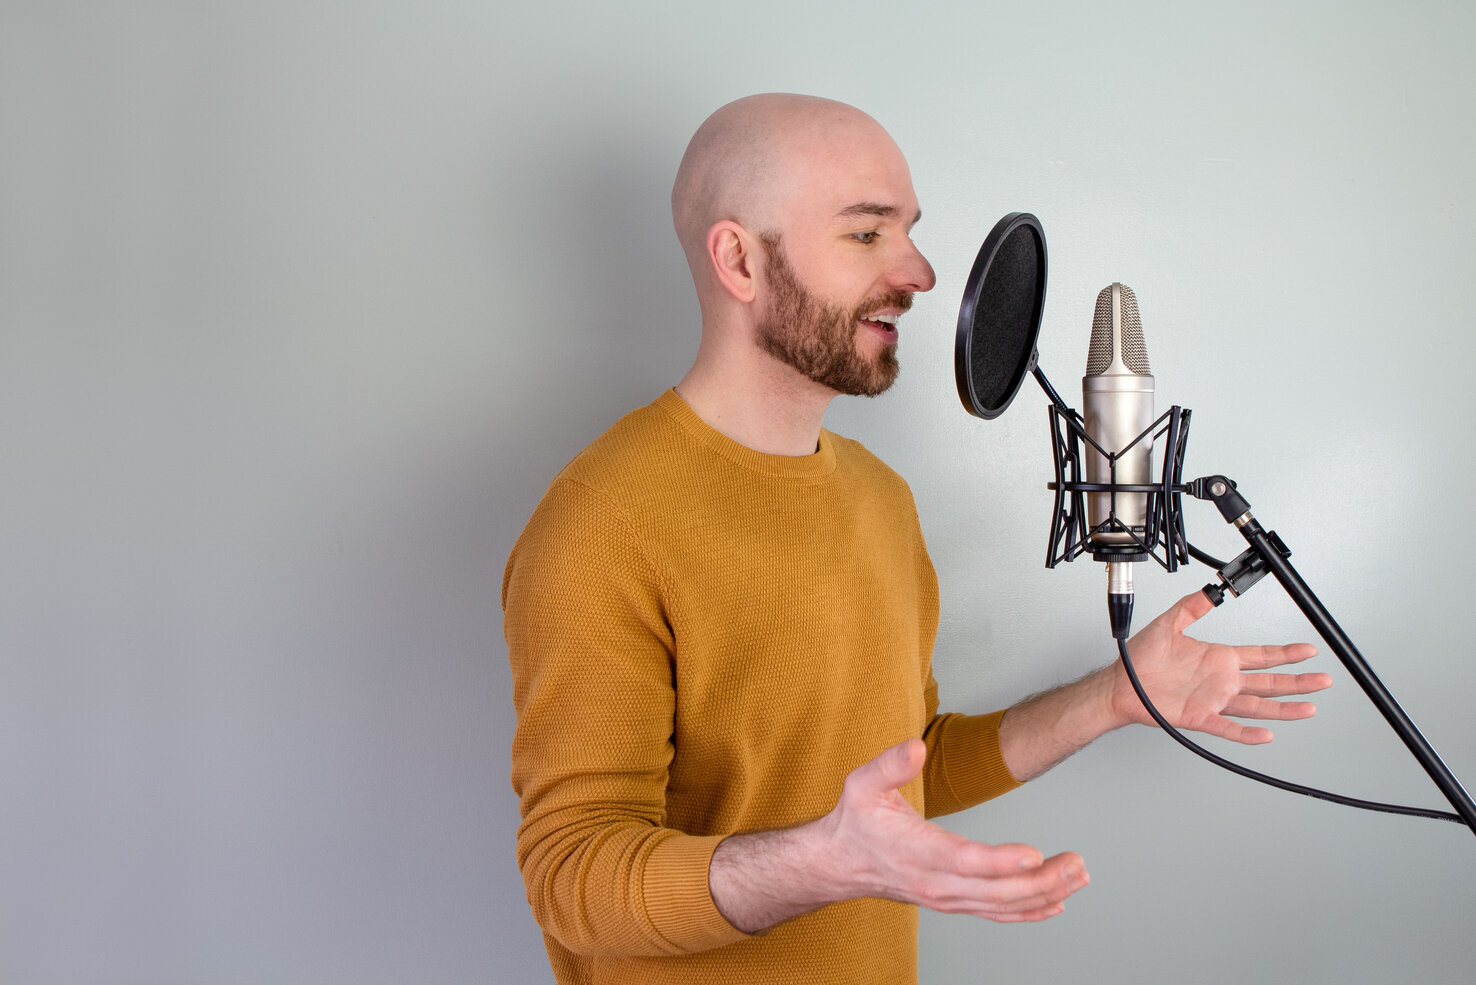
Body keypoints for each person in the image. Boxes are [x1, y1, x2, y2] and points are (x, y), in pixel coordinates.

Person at [502, 93, 1329, 985]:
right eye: (867, 234)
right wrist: (824, 860)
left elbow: (908, 767)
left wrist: (1116, 697)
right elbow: (573, 876)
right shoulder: (606, 517)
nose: (922, 273)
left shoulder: (879, 497)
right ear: (738, 259)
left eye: (910, 231)